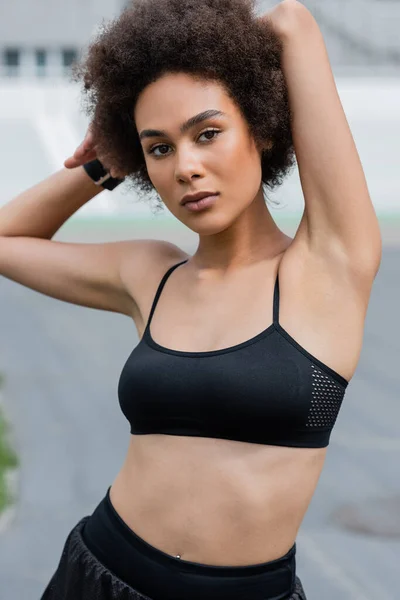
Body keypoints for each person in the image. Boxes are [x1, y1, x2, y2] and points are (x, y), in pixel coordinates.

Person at [0, 0, 381, 599]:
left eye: (207, 133)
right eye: (159, 148)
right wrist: (105, 161)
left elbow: (293, 21)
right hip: (99, 573)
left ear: (261, 127)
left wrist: (228, 50)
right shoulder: (149, 273)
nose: (187, 167)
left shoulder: (326, 268)